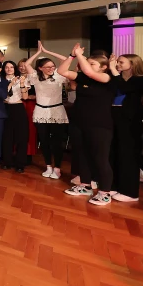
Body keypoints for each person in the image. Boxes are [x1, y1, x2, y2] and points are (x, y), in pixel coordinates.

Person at [57, 45, 114, 205]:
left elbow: (89, 71)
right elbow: (62, 71)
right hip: (79, 123)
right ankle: (85, 185)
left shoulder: (107, 79)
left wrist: (80, 56)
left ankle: (104, 192)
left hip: (100, 125)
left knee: (101, 159)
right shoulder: (83, 78)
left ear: (104, 67)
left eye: (92, 63)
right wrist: (71, 55)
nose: (87, 66)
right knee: (82, 156)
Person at [24, 42, 69, 179]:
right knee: (43, 141)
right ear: (40, 68)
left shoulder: (59, 75)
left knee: (57, 141)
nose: (51, 68)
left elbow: (65, 60)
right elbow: (27, 65)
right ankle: (48, 166)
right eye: (47, 66)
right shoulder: (35, 77)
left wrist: (48, 52)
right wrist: (38, 52)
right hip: (41, 111)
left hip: (57, 110)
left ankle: (58, 168)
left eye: (52, 66)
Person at [109, 53, 143, 202]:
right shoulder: (117, 78)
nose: (118, 64)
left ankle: (130, 192)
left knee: (128, 156)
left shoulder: (141, 80)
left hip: (131, 122)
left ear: (132, 64)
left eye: (121, 62)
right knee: (115, 153)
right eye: (117, 62)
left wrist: (113, 71)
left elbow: (125, 88)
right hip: (115, 119)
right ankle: (116, 186)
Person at [1, 61, 29, 173]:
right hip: (5, 107)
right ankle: (7, 162)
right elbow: (2, 96)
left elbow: (25, 97)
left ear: (15, 68)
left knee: (21, 136)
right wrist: (10, 84)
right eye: (6, 67)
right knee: (6, 136)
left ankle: (20, 163)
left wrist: (21, 84)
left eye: (11, 67)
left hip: (18, 107)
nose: (9, 69)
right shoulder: (0, 80)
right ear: (3, 69)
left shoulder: (22, 78)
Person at [18, 59, 38, 163]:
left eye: (24, 66)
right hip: (17, 105)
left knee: (30, 130)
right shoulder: (15, 78)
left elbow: (40, 93)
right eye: (20, 66)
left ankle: (28, 154)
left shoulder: (34, 78)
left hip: (30, 106)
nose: (22, 68)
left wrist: (30, 97)